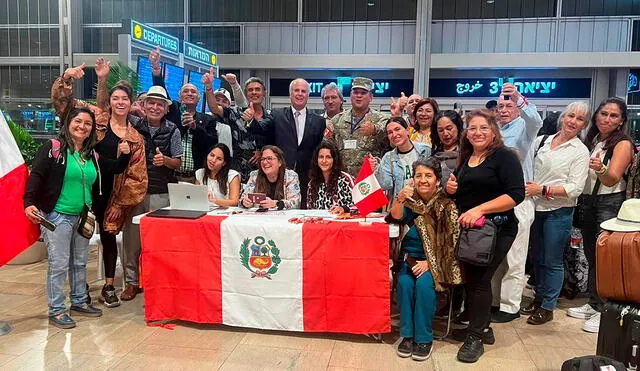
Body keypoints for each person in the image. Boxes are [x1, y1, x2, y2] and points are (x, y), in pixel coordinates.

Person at [50, 60, 148, 308]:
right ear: (111, 100)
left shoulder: (135, 139)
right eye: (116, 98)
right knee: (76, 241)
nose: (120, 102)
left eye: (125, 98)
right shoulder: (95, 118)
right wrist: (66, 79)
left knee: (108, 238)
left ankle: (108, 286)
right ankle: (77, 289)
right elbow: (66, 106)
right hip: (82, 192)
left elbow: (137, 179)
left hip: (112, 199)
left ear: (131, 102)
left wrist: (119, 204)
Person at [24, 108, 130, 328]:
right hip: (57, 217)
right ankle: (57, 310)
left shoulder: (91, 154)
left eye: (88, 124)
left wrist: (126, 153)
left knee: (80, 262)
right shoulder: (53, 149)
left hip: (83, 217)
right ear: (68, 123)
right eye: (78, 121)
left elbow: (117, 167)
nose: (82, 126)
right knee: (59, 264)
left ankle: (80, 302)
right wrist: (29, 203)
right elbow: (36, 176)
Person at [445, 109, 524, 363]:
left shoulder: (504, 157)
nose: (477, 132)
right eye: (473, 128)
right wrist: (451, 190)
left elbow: (515, 195)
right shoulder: (468, 158)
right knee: (473, 279)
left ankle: (475, 338)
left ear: (494, 132)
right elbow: (465, 195)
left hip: (498, 228)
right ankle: (483, 329)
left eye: (483, 128)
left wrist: (479, 209)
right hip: (474, 231)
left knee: (479, 280)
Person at [567, 97, 635, 333]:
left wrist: (602, 169)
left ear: (621, 121)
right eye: (604, 113)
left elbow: (613, 178)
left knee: (605, 257)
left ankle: (605, 309)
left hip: (609, 202)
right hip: (588, 202)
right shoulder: (594, 140)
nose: (607, 119)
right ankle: (594, 303)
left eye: (613, 116)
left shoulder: (622, 143)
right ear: (596, 116)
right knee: (592, 254)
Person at [520, 102, 590, 325]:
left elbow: (575, 188)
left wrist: (542, 189)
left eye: (579, 119)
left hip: (559, 211)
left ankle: (548, 305)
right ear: (562, 117)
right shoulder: (544, 140)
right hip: (536, 208)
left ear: (584, 125)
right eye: (571, 116)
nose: (573, 121)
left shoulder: (580, 151)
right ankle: (539, 297)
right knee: (537, 259)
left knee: (552, 260)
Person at [387, 157, 462, 362]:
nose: (423, 180)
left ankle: (424, 338)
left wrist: (429, 263)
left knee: (423, 287)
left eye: (428, 176)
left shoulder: (446, 205)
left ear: (438, 180)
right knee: (403, 283)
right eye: (418, 175)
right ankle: (407, 336)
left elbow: (451, 243)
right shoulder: (411, 203)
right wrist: (401, 198)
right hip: (410, 260)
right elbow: (393, 217)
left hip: (437, 263)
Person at [121, 85, 183, 301]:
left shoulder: (174, 130)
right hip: (134, 192)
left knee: (159, 242)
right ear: (144, 105)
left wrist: (165, 160)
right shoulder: (133, 125)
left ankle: (157, 281)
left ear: (166, 109)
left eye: (160, 104)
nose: (155, 107)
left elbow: (178, 161)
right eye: (151, 103)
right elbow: (115, 112)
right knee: (131, 241)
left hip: (161, 194)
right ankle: (131, 282)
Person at [490, 83, 543, 324]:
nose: (503, 109)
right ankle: (493, 301)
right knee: (495, 254)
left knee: (514, 256)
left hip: (519, 200)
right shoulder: (494, 133)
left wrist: (519, 98)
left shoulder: (524, 128)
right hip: (496, 200)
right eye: (500, 106)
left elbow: (536, 121)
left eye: (508, 105)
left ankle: (510, 306)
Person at [247, 78, 326, 208]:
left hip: (308, 176)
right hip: (281, 175)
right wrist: (252, 120)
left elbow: (318, 150)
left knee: (304, 211)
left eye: (303, 91)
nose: (300, 94)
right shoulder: (277, 114)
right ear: (290, 94)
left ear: (308, 95)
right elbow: (261, 129)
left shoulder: (319, 121)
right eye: (296, 90)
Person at [149, 47, 217, 184]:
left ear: (198, 99)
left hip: (197, 177)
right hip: (170, 175)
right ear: (180, 97)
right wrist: (156, 70)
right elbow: (162, 93)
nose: (189, 94)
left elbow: (211, 144)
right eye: (186, 91)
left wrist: (195, 126)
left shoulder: (208, 120)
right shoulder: (173, 110)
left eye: (193, 92)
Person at [205, 73, 270, 183]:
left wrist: (261, 152)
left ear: (264, 94)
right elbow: (214, 108)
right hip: (237, 169)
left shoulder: (271, 117)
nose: (254, 92)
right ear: (246, 94)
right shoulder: (235, 113)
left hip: (263, 170)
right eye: (250, 90)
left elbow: (275, 142)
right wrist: (209, 87)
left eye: (258, 89)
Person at [330, 77, 392, 177]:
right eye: (355, 92)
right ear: (350, 95)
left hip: (370, 180)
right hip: (343, 180)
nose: (359, 96)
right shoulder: (337, 120)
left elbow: (393, 143)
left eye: (363, 93)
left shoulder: (382, 120)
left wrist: (375, 130)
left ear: (371, 97)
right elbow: (327, 147)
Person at [375, 117, 431, 201]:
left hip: (424, 203)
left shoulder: (425, 150)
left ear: (407, 130)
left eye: (397, 129)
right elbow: (385, 185)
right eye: (390, 132)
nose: (394, 134)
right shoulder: (388, 157)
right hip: (400, 205)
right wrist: (376, 169)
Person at [240, 145, 301, 210]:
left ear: (280, 162)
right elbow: (241, 200)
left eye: (269, 158)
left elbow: (296, 203)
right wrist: (244, 202)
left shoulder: (291, 176)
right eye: (262, 159)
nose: (265, 162)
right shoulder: (254, 175)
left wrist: (275, 204)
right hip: (259, 218)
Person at [306, 141, 354, 213]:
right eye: (321, 157)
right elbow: (309, 210)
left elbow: (360, 205)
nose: (324, 161)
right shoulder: (312, 183)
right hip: (320, 222)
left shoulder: (346, 179)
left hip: (342, 222)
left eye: (328, 157)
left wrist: (344, 209)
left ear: (334, 160)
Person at [195, 143, 240, 208]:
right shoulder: (200, 173)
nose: (213, 160)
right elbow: (195, 198)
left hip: (225, 213)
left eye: (219, 159)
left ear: (224, 163)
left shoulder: (232, 175)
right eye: (212, 155)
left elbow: (234, 201)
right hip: (205, 211)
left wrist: (214, 201)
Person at [431, 110, 464, 185]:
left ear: (458, 127)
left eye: (449, 128)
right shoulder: (433, 155)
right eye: (441, 130)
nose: (445, 133)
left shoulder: (468, 151)